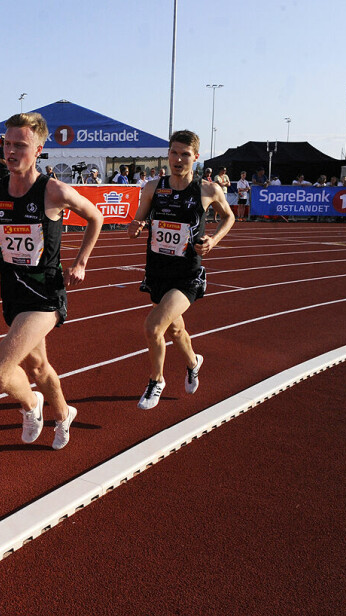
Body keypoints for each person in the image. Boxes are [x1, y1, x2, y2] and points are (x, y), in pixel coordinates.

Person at [0, 112, 103, 451]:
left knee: (0, 372)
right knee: (39, 366)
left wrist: (81, 262)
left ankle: (31, 406)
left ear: (38, 150)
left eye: (20, 145)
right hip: (13, 293)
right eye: (7, 144)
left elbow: (96, 217)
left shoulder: (54, 191)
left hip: (45, 295)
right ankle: (64, 414)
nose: (11, 151)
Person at [127, 130, 234, 410]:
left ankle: (156, 380)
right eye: (174, 152)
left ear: (196, 158)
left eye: (185, 154)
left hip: (187, 274)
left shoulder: (208, 190)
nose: (178, 159)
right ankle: (193, 362)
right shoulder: (153, 187)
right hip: (158, 272)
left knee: (153, 327)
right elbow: (135, 226)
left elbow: (229, 216)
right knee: (175, 331)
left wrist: (213, 240)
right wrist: (135, 227)